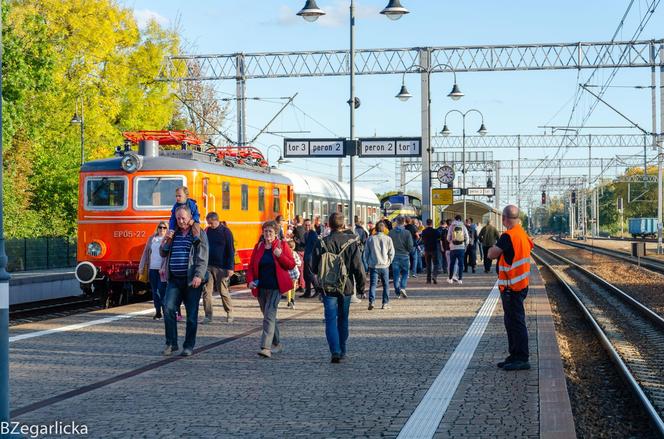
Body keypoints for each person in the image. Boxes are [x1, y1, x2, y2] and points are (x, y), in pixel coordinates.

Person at [312, 212, 366, 363]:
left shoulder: (322, 242)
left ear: (328, 225)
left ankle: (334, 350)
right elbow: (358, 267)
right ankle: (342, 349)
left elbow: (313, 265)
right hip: (346, 286)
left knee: (330, 319)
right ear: (343, 225)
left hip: (328, 286)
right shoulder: (351, 242)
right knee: (343, 318)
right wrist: (361, 288)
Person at [487, 205, 534, 371]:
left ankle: (521, 357)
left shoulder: (508, 236)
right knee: (511, 321)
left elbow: (491, 254)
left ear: (504, 218)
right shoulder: (522, 234)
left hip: (511, 287)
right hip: (520, 285)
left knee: (515, 322)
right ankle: (514, 355)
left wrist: (493, 248)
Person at [160, 206, 209, 357]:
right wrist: (166, 240)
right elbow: (163, 253)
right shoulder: (173, 234)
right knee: (168, 309)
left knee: (192, 315)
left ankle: (188, 346)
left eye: (183, 218)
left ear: (189, 218)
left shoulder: (198, 233)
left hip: (191, 281)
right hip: (174, 279)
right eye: (178, 218)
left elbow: (203, 256)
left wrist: (199, 275)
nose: (181, 221)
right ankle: (171, 343)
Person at [247, 221, 295, 358]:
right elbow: (251, 267)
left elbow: (291, 265)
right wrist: (250, 281)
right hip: (261, 288)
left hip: (276, 287)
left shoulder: (282, 246)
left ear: (276, 233)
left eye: (270, 232)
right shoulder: (259, 247)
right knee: (269, 317)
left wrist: (280, 255)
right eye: (266, 231)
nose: (268, 234)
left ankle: (265, 347)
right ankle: (277, 343)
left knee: (269, 316)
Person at [201, 212, 235, 324]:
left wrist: (230, 267)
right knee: (206, 291)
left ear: (216, 220)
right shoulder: (207, 231)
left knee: (223, 291)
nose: (209, 225)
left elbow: (230, 250)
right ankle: (208, 315)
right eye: (208, 223)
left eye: (211, 223)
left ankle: (229, 312)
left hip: (222, 267)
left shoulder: (226, 232)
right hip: (208, 265)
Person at [138, 221, 169, 319]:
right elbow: (145, 253)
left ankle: (165, 312)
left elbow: (168, 256)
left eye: (164, 228)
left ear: (167, 229)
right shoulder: (152, 239)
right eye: (160, 227)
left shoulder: (168, 240)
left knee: (161, 291)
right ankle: (158, 312)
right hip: (152, 269)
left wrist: (163, 267)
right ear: (157, 228)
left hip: (162, 270)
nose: (162, 230)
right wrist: (141, 267)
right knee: (155, 292)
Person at [362, 222, 394, 310]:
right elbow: (391, 252)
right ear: (384, 229)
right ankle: (385, 303)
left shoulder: (370, 239)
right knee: (386, 285)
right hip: (384, 265)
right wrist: (389, 262)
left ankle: (371, 301)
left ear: (375, 228)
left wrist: (368, 262)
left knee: (373, 284)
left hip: (373, 265)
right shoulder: (388, 239)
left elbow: (366, 253)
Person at [388, 215, 413, 298]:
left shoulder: (391, 232)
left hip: (394, 256)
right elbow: (410, 245)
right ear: (404, 222)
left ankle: (397, 292)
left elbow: (388, 245)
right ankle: (402, 287)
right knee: (405, 273)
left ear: (397, 222)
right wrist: (409, 251)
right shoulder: (407, 232)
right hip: (405, 255)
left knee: (396, 274)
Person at [447, 214, 469, 284]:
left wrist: (451, 242)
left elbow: (448, 238)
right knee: (461, 264)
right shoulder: (463, 226)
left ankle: (450, 279)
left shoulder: (451, 226)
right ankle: (460, 279)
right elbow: (467, 237)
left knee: (452, 263)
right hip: (461, 247)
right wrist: (465, 245)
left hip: (453, 248)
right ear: (460, 219)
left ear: (455, 219)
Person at [301, 218, 320, 298]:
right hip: (307, 255)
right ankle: (308, 292)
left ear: (311, 225)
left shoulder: (313, 233)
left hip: (311, 256)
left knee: (310, 274)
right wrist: (300, 243)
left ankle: (317, 289)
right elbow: (306, 245)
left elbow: (316, 245)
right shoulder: (306, 234)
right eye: (306, 225)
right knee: (305, 274)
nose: (307, 226)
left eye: (309, 225)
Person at [420, 219, 440, 284]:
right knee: (436, 264)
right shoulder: (435, 231)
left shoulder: (424, 231)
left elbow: (422, 239)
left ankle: (428, 280)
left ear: (426, 223)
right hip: (434, 249)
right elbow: (439, 237)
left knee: (428, 265)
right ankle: (434, 276)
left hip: (427, 250)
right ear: (432, 223)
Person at [292, 215, 306, 292]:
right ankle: (302, 285)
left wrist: (294, 239)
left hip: (299, 250)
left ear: (296, 221)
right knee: (302, 268)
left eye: (294, 220)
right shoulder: (303, 228)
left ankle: (302, 286)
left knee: (300, 269)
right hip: (303, 250)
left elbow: (299, 239)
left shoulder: (297, 229)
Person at [285, 239, 301, 308]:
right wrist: (295, 263)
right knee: (293, 287)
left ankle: (289, 302)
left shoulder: (285, 254)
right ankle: (292, 300)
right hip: (294, 272)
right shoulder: (295, 253)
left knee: (288, 287)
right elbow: (299, 263)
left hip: (288, 272)